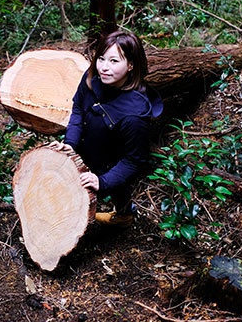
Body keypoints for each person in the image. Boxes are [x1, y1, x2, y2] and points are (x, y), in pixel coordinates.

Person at [50, 30, 163, 227]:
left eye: (114, 61)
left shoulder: (134, 114)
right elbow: (78, 109)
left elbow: (134, 160)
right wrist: (71, 144)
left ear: (130, 65)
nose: (104, 67)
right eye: (101, 59)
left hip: (112, 159)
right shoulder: (92, 77)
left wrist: (103, 182)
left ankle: (124, 214)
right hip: (89, 143)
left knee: (118, 187)